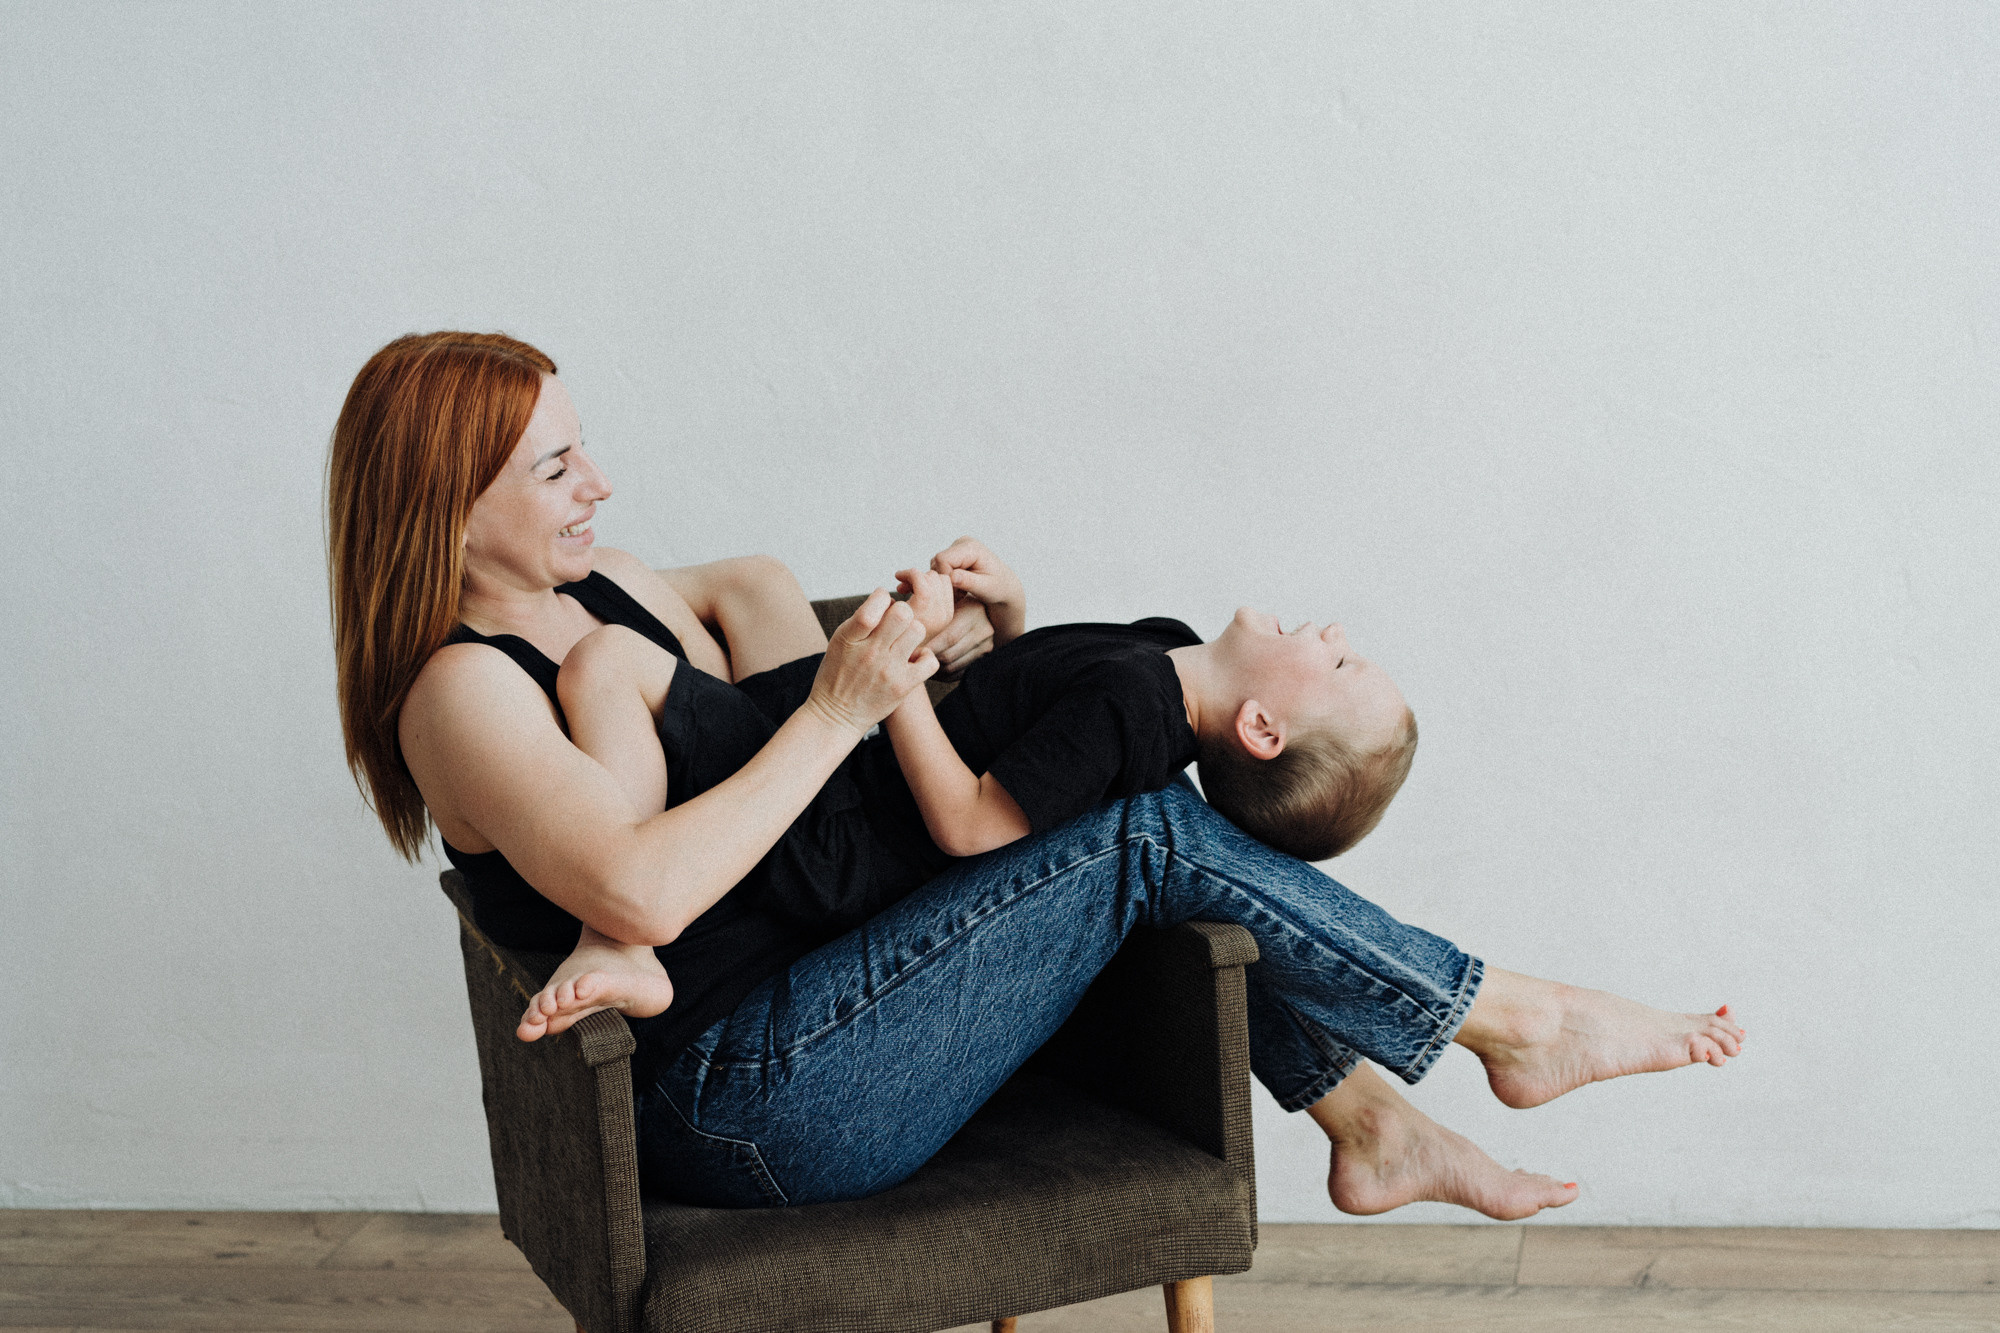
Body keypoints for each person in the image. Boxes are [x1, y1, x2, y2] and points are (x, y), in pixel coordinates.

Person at [329, 330, 1744, 1220]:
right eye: (559, 466)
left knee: (1122, 799)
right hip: (738, 1096)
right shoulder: (461, 693)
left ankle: (1370, 1108)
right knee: (1137, 829)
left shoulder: (620, 593)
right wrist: (837, 711)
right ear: (450, 508)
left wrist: (960, 647)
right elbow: (637, 886)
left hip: (843, 983)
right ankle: (1503, 1019)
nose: (602, 486)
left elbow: (771, 610)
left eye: (584, 449)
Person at [516, 556, 1421, 1045]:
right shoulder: (1163, 655)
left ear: (1262, 729)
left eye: (1340, 662)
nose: (1338, 634)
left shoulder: (1141, 705)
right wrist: (1008, 617)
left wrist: (895, 685)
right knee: (747, 592)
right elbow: (1032, 731)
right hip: (849, 779)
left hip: (839, 837)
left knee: (607, 661)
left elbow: (967, 824)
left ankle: (617, 936)